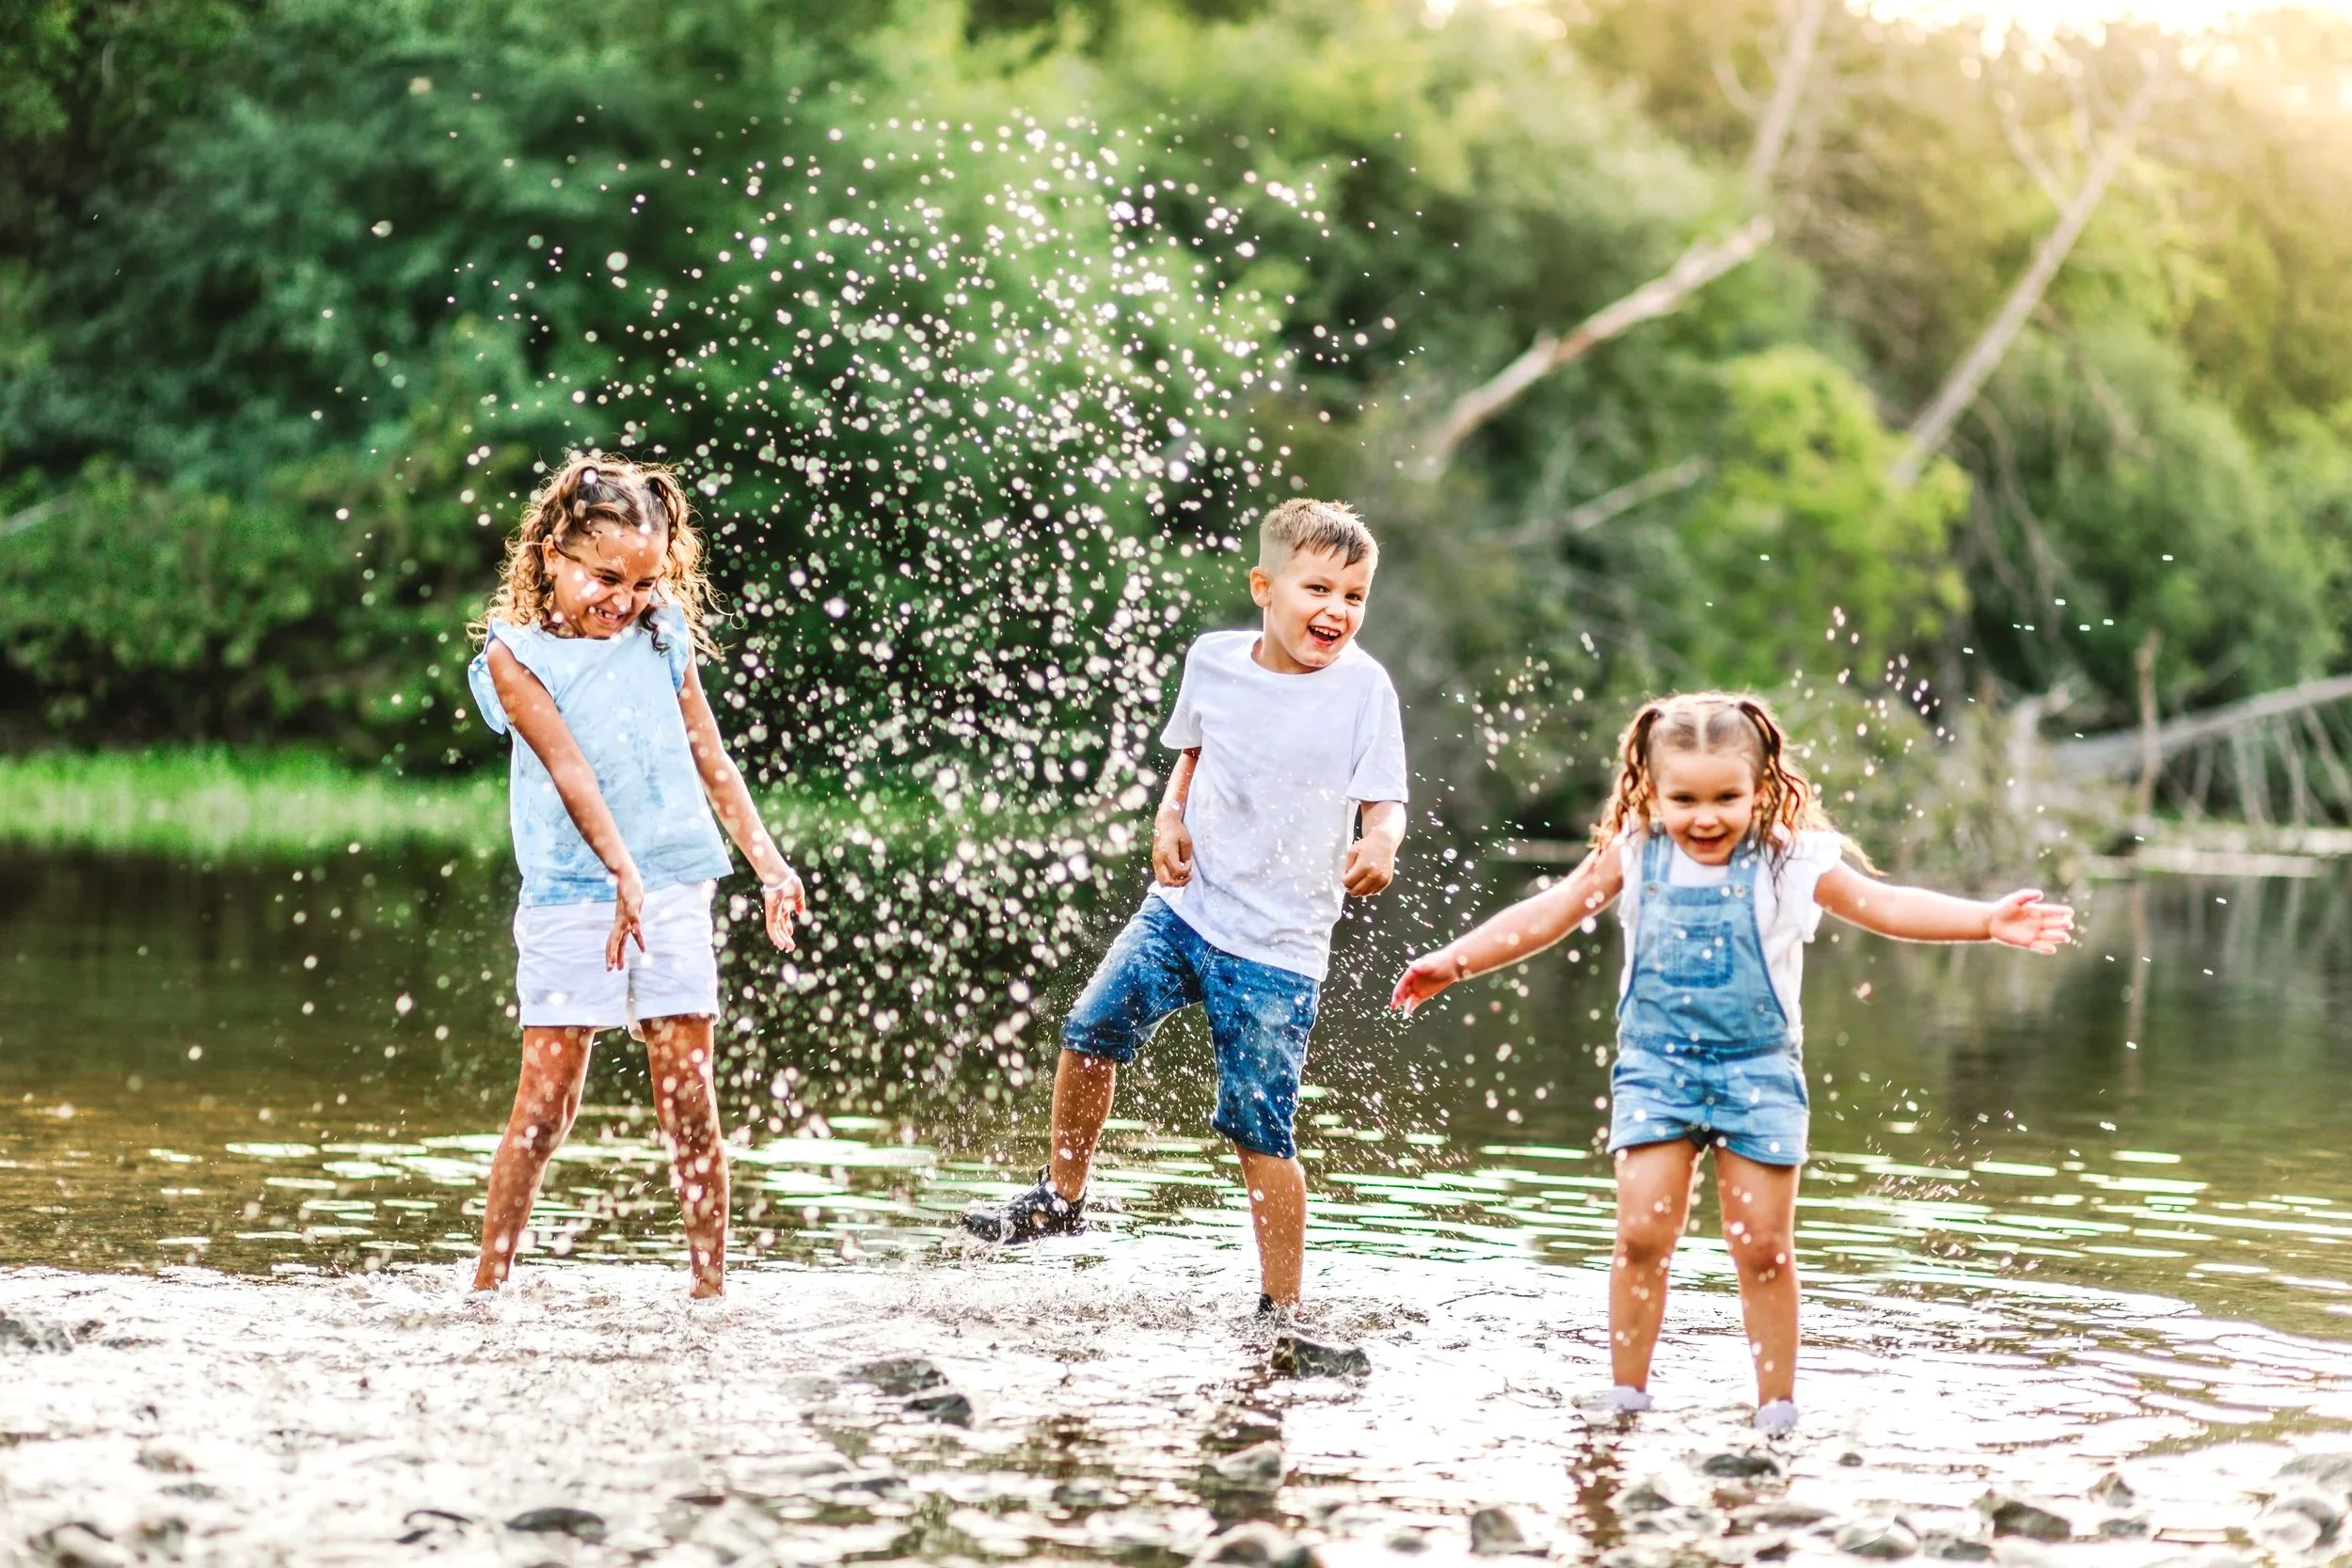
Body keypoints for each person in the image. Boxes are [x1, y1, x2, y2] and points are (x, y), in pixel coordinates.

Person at [1390, 691, 2073, 1431]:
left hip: (1760, 1074)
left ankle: (1776, 1408)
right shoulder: (1634, 852)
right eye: (1684, 798)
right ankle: (1627, 1395)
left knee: (1764, 1248)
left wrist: (1986, 921)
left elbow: (1886, 905)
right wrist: (1452, 963)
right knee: (1642, 1234)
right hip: (1656, 1070)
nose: (1705, 817)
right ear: (1652, 791)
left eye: (1727, 797)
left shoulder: (1790, 861)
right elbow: (1548, 914)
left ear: (1760, 788)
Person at [961, 499, 1410, 1315]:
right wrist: (1168, 814)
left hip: (1278, 945)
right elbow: (1194, 756)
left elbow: (1385, 802)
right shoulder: (1213, 661)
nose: (1337, 611)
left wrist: (1381, 840)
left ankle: (1283, 1309)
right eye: (1319, 589)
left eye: (1355, 595)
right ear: (1264, 588)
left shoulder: (1363, 689)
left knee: (1256, 1129)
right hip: (1184, 908)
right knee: (1090, 1030)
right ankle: (1062, 1199)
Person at [464, 453, 805, 1299]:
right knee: (546, 1106)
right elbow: (570, 768)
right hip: (571, 895)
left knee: (689, 1099)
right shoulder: (515, 657)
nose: (624, 598)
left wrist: (768, 862)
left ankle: (711, 1292)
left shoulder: (661, 634)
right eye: (605, 576)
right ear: (553, 556)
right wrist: (619, 870)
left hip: (675, 885)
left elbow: (709, 755)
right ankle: (487, 1287)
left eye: (645, 580)